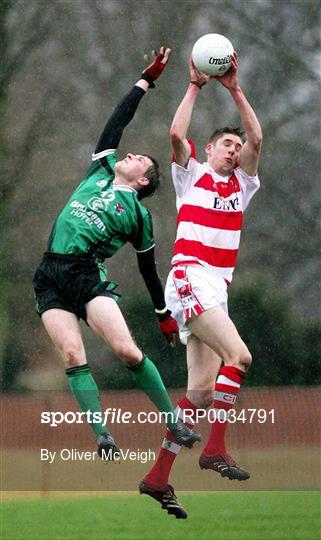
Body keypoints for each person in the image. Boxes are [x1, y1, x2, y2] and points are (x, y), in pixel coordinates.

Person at [33, 47, 201, 462]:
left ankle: (172, 420)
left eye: (139, 159)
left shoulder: (139, 216)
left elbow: (148, 271)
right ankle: (103, 436)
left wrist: (163, 314)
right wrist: (146, 80)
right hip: (50, 274)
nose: (129, 154)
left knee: (127, 352)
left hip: (87, 277)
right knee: (73, 355)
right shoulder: (100, 171)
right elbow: (116, 122)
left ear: (143, 179)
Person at [139, 52, 263, 519]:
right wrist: (195, 85)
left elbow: (258, 136)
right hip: (190, 276)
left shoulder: (244, 185)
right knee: (241, 357)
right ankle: (214, 449)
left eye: (236, 145)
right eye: (225, 144)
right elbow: (174, 135)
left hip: (216, 288)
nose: (233, 149)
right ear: (207, 150)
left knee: (201, 394)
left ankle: (157, 478)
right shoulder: (191, 174)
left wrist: (234, 88)